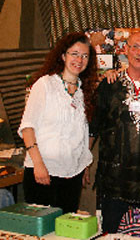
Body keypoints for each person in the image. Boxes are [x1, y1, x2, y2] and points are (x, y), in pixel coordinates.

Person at [90, 31, 140, 233]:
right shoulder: (109, 85)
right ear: (125, 49)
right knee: (112, 234)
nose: (139, 52)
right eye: (134, 46)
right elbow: (94, 127)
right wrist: (85, 164)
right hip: (113, 181)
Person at [18, 32, 98, 213]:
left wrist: (83, 164)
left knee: (65, 230)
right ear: (63, 56)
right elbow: (27, 127)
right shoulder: (45, 84)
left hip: (72, 176)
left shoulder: (83, 92)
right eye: (74, 53)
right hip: (42, 172)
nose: (79, 59)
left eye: (85, 56)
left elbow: (82, 134)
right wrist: (38, 165)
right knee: (42, 231)